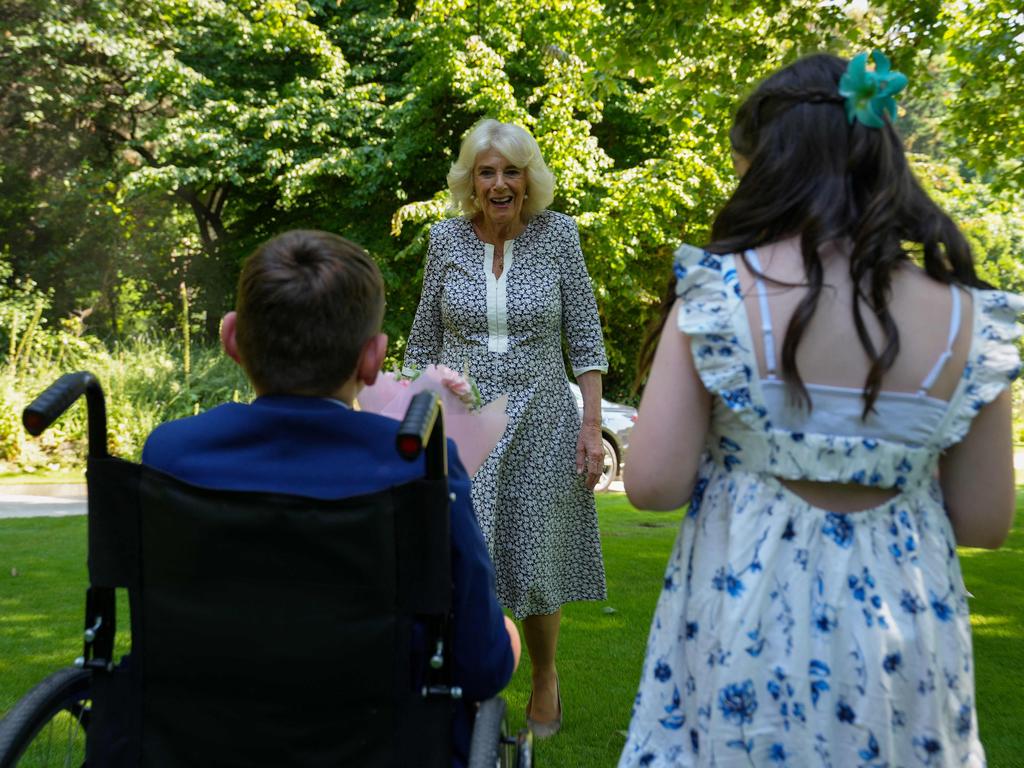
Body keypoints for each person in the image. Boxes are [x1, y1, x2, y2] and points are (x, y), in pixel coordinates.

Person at [619, 52, 1021, 766]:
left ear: (767, 167)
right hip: (904, 650)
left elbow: (652, 484)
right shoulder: (970, 320)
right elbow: (986, 522)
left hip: (742, 628)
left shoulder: (717, 295)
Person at [143, 229, 520, 768]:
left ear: (231, 339)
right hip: (381, 745)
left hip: (202, 744)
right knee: (503, 636)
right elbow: (482, 665)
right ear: (372, 359)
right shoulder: (416, 464)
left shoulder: (171, 455)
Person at [404, 118, 609, 737]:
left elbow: (586, 336)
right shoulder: (444, 240)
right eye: (487, 172)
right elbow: (423, 340)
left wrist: (592, 424)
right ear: (471, 181)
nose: (499, 183)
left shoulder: (560, 236)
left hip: (546, 415)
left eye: (511, 171)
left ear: (529, 180)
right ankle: (470, 680)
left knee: (539, 559)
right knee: (464, 557)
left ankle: (544, 674)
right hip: (468, 421)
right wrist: (410, 415)